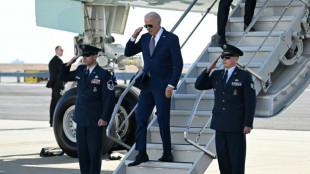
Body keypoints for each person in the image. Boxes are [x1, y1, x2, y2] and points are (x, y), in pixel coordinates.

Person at [124, 12, 183, 166]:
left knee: (163, 119)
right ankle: (141, 153)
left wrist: (171, 85)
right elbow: (128, 52)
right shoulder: (144, 38)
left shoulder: (170, 39)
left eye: (150, 25)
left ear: (158, 23)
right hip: (147, 84)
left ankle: (167, 153)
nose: (147, 28)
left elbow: (178, 64)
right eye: (145, 25)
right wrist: (134, 36)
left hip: (163, 86)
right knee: (140, 118)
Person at [195, 44, 256, 174]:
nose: (224, 59)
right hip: (220, 124)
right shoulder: (217, 75)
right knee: (223, 161)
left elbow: (250, 102)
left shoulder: (244, 76)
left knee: (237, 160)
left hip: (236, 125)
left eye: (227, 57)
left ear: (236, 58)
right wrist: (208, 69)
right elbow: (199, 85)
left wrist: (248, 123)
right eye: (223, 57)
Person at [59, 45, 115, 174]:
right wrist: (69, 63)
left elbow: (109, 99)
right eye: (83, 55)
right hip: (80, 118)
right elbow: (63, 76)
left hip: (95, 120)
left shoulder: (104, 75)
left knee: (94, 152)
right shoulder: (80, 70)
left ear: (95, 56)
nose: (84, 58)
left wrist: (104, 117)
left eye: (87, 55)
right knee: (82, 152)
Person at [46, 46, 65, 127]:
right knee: (59, 103)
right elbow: (62, 72)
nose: (62, 51)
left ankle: (52, 121)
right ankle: (57, 121)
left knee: (54, 103)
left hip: (54, 85)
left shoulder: (53, 60)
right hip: (58, 85)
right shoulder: (57, 61)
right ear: (57, 51)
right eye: (61, 50)